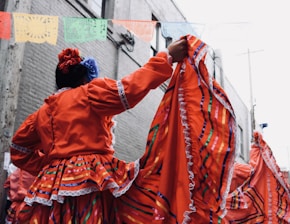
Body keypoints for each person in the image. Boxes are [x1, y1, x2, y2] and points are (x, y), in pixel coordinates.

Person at [9, 38, 188, 223]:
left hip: (52, 184)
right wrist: (166, 57)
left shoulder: (41, 113)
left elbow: (18, 149)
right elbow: (129, 88)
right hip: (90, 175)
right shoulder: (90, 94)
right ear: (84, 78)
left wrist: (51, 166)